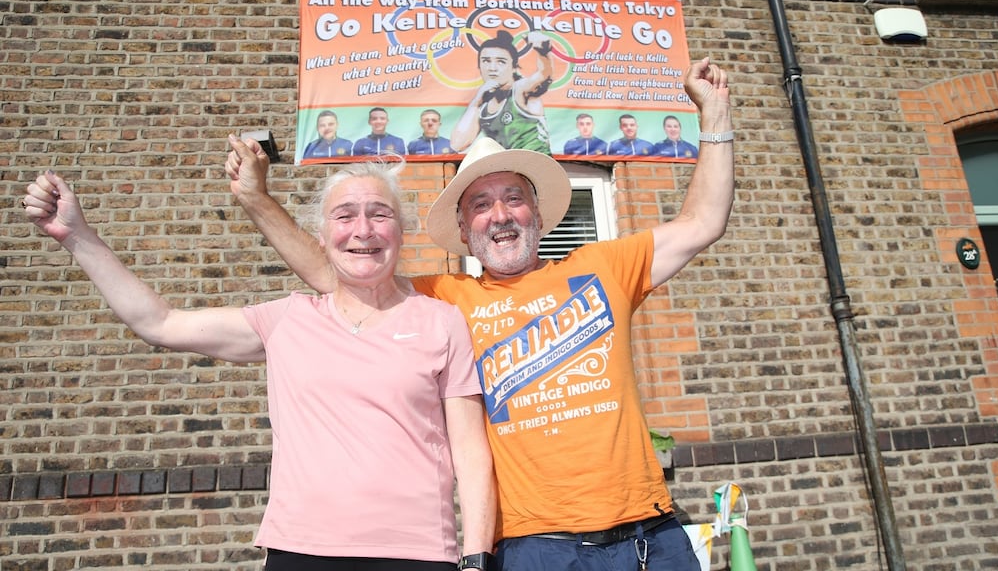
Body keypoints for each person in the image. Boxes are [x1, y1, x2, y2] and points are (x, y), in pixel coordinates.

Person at [228, 56, 733, 571]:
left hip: (650, 537)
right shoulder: (441, 300)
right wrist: (257, 200)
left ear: (537, 214)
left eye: (513, 198)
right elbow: (337, 272)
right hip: (537, 547)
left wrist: (714, 114)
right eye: (480, 205)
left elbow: (703, 221)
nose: (500, 215)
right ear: (465, 232)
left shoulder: (606, 266)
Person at [21, 152, 496, 571]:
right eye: (344, 215)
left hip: (416, 554)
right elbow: (159, 322)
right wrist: (76, 235)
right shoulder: (288, 319)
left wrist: (475, 559)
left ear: (401, 229)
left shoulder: (441, 321)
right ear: (322, 233)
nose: (363, 230)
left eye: (380, 214)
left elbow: (471, 454)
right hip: (300, 550)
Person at [450, 30, 555, 155]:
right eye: (486, 61)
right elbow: (458, 144)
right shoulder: (483, 105)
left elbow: (543, 74)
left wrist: (543, 52)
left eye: (501, 61)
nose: (492, 68)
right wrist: (476, 102)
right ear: (479, 66)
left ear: (514, 67)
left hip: (537, 166)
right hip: (510, 169)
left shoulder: (521, 89)